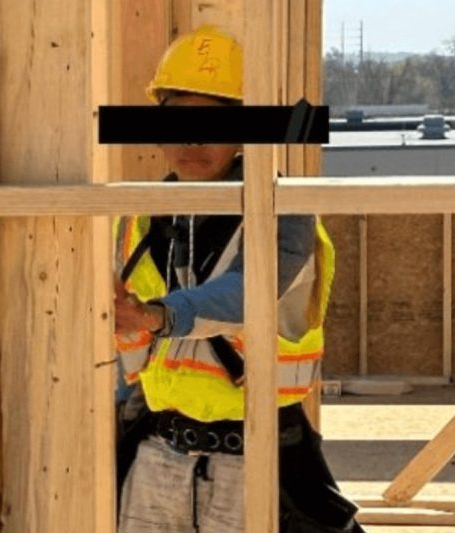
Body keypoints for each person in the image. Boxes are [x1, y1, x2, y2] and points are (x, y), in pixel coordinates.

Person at [113, 25, 364, 533]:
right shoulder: (139, 221)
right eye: (179, 121)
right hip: (157, 456)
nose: (192, 141)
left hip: (252, 458)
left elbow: (247, 290)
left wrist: (159, 315)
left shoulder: (285, 210)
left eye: (212, 122)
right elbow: (133, 351)